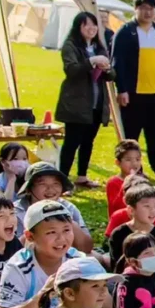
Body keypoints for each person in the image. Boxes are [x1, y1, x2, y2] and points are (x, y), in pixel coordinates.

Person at [111, 0, 155, 177]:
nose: (148, 13)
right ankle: (132, 171)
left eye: (151, 9)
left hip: (154, 93)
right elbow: (117, 62)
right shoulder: (125, 31)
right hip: (133, 93)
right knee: (131, 135)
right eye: (144, 8)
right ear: (136, 9)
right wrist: (122, 89)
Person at [55, 12, 113, 188]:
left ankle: (82, 176)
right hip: (76, 103)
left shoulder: (99, 47)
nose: (91, 28)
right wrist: (91, 61)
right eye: (86, 25)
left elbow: (111, 76)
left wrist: (107, 69)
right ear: (78, 27)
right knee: (72, 142)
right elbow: (72, 70)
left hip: (96, 103)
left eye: (94, 25)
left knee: (88, 141)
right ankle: (62, 180)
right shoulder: (70, 46)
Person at [13, 162, 94, 254]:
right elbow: (13, 250)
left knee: (96, 258)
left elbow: (87, 247)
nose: (50, 189)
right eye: (42, 184)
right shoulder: (16, 211)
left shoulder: (68, 208)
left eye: (56, 184)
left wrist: (67, 220)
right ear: (29, 189)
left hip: (66, 256)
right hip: (31, 259)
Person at [107, 185, 155, 271]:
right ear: (131, 210)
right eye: (147, 206)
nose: (153, 211)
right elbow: (117, 266)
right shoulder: (119, 233)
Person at [106, 140, 143, 218]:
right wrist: (126, 185)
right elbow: (116, 206)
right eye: (128, 160)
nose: (134, 163)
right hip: (121, 221)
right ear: (118, 163)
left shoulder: (142, 180)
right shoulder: (113, 182)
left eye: (137, 159)